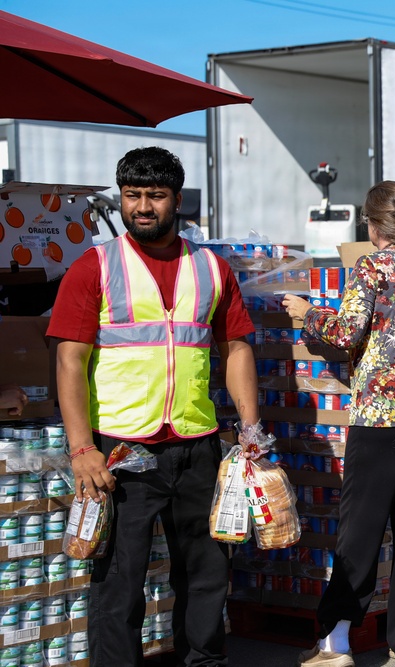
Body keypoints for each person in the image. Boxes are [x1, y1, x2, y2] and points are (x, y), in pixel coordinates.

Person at [47, 146, 259, 666]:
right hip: (120, 455)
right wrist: (81, 449)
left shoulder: (211, 268)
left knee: (208, 573)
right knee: (119, 582)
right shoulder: (93, 267)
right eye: (132, 195)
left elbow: (236, 349)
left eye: (156, 196)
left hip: (197, 447)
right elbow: (69, 361)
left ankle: (204, 662)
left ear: (177, 200)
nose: (143, 206)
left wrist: (251, 431)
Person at [283, 181, 395, 667]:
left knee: (360, 530)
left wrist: (308, 313)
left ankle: (335, 644)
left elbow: (346, 331)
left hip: (384, 415)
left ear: (374, 224)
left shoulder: (373, 264)